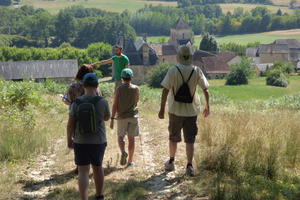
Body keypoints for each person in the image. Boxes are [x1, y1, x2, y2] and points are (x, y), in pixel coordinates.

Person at [158, 45, 210, 177]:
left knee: (173, 137)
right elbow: (205, 89)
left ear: (179, 57)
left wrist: (162, 109)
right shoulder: (197, 70)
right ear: (190, 57)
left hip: (175, 110)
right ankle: (189, 166)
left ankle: (171, 162)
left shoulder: (173, 70)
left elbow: (165, 90)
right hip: (191, 112)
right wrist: (207, 106)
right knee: (190, 140)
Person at [67, 73, 110, 200]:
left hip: (80, 141)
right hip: (98, 141)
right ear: (97, 85)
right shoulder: (103, 101)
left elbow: (70, 124)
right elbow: (107, 117)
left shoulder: (76, 103)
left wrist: (69, 140)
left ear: (83, 85)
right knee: (97, 168)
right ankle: (99, 195)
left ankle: (84, 198)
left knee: (83, 171)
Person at [110, 68, 140, 167]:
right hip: (133, 116)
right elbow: (136, 101)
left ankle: (123, 152)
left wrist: (112, 118)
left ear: (122, 78)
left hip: (122, 117)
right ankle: (130, 161)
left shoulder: (119, 89)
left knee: (120, 137)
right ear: (131, 77)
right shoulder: (136, 88)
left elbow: (115, 105)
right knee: (131, 139)